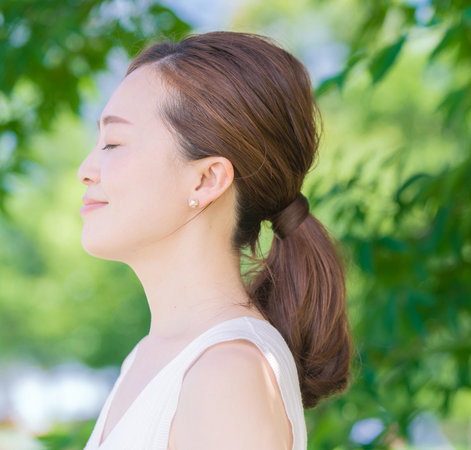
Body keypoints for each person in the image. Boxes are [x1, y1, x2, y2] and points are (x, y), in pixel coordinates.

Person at [76, 31, 352, 450]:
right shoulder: (156, 356)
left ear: (207, 179)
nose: (86, 169)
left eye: (113, 143)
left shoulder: (226, 373)